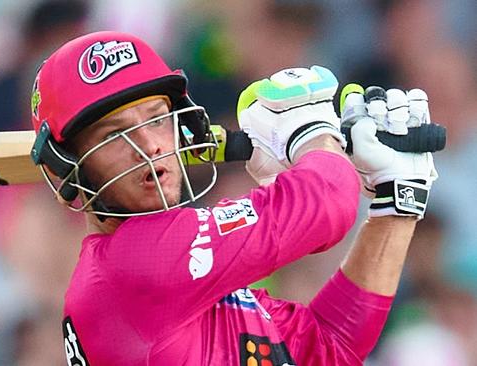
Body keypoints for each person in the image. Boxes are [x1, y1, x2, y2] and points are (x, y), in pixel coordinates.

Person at [28, 31, 438, 365]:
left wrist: (395, 203)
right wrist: (311, 136)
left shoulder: (189, 281)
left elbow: (329, 348)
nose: (150, 146)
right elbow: (328, 201)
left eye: (156, 118)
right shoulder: (133, 266)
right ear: (64, 171)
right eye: (115, 135)